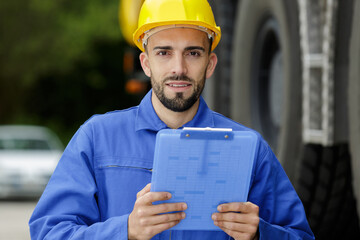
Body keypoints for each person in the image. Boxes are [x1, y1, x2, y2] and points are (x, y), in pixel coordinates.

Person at [29, 0, 315, 239]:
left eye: (193, 53)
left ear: (210, 64)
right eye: (164, 53)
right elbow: (47, 232)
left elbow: (301, 235)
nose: (179, 69)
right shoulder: (97, 138)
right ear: (146, 64)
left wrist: (260, 234)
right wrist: (125, 230)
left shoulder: (250, 148)